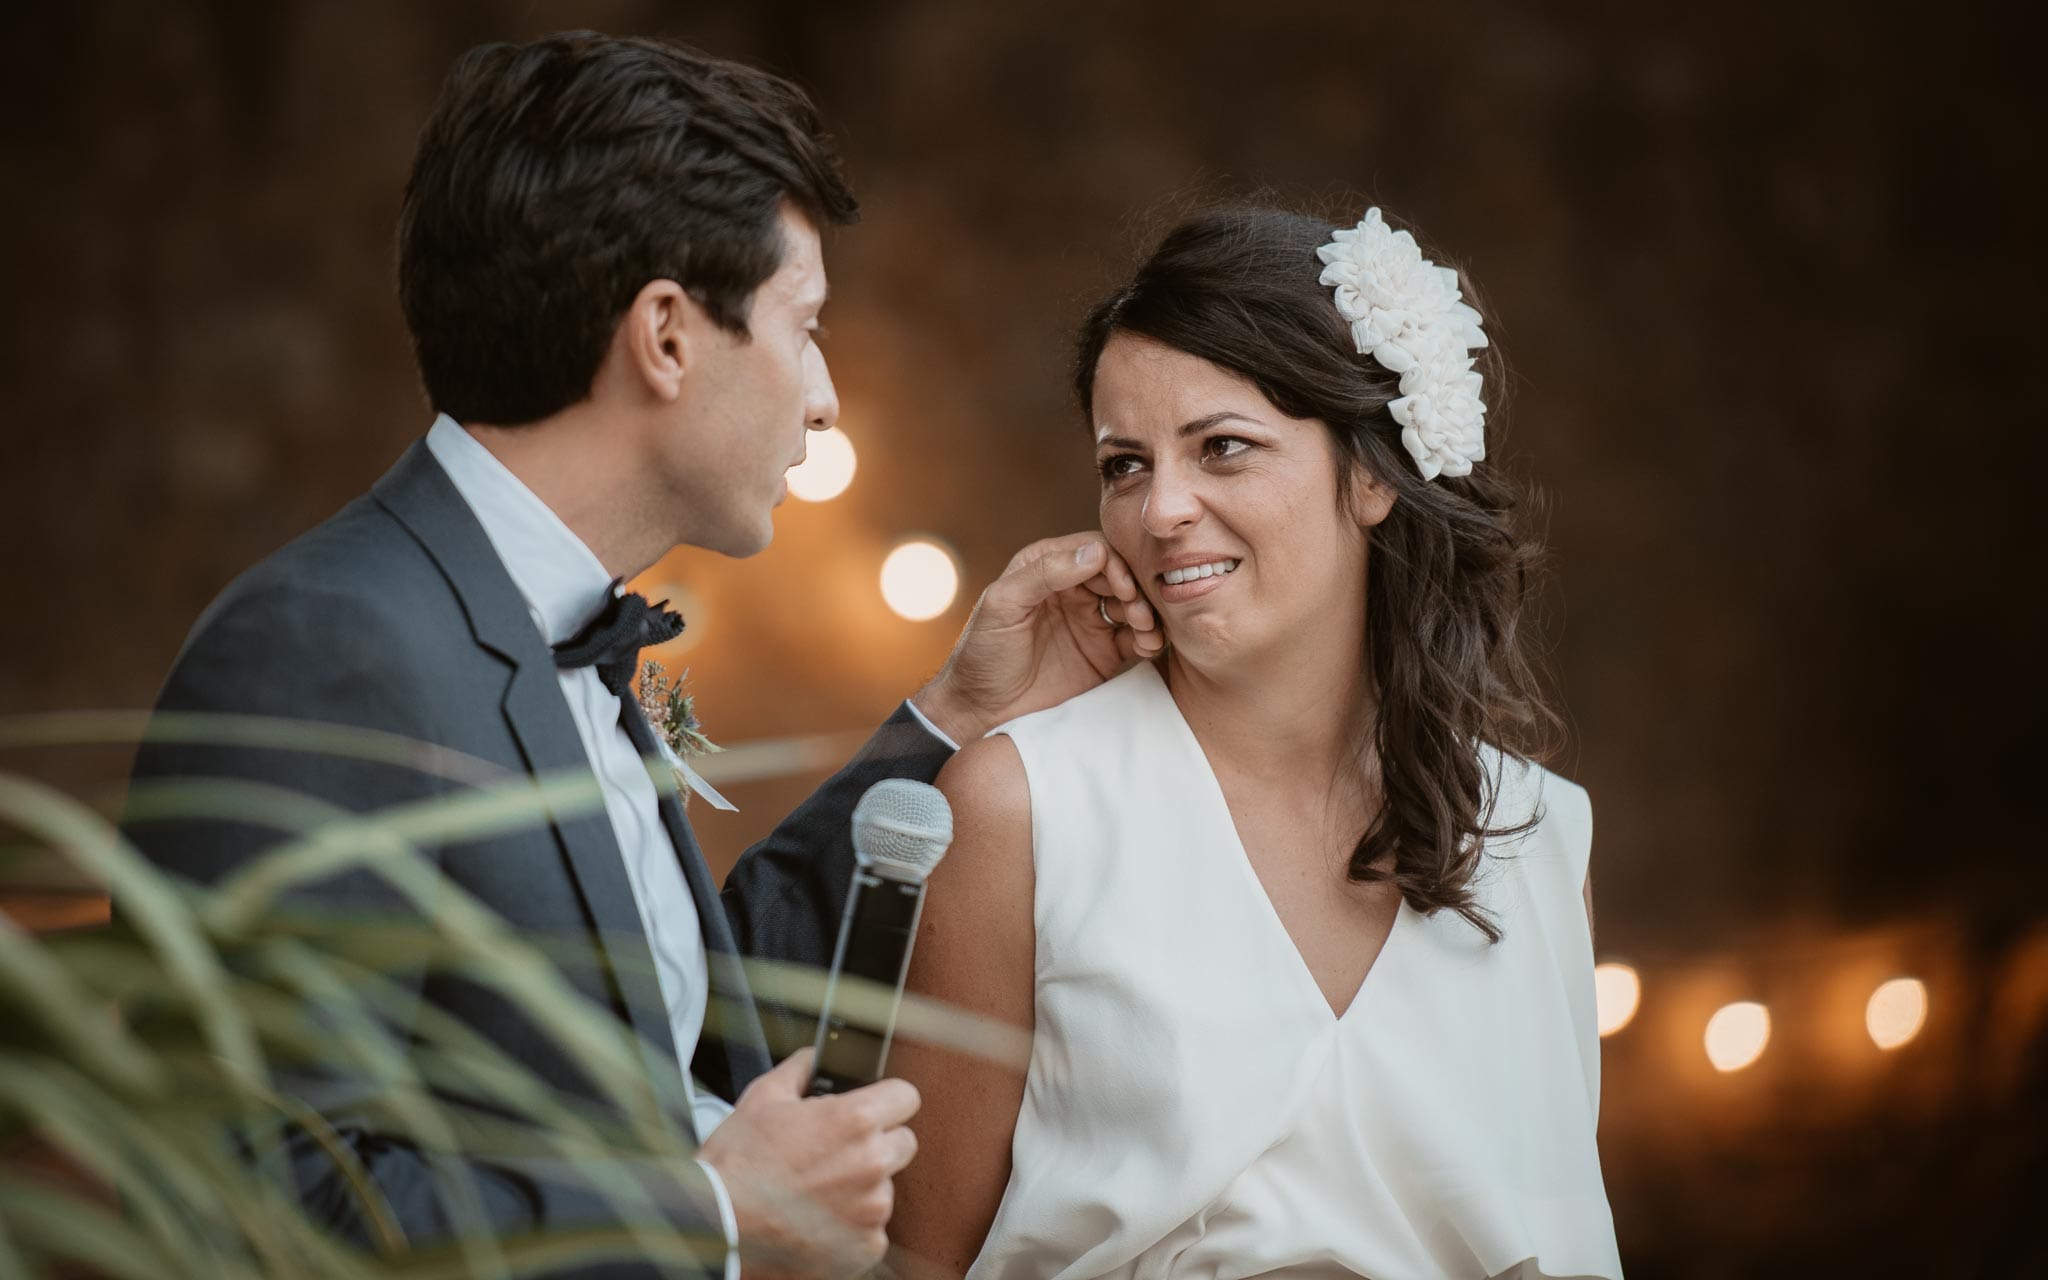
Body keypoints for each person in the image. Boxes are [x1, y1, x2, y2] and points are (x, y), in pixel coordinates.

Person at [122, 32, 1160, 1280]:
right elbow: (232, 1193)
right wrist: (705, 1216)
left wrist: (948, 713)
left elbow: (683, 1034)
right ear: (666, 335)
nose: (823, 396)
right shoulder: (325, 647)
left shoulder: (555, 624)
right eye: (804, 326)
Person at [891, 206, 1624, 1278]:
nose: (1161, 508)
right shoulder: (1019, 806)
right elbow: (918, 1262)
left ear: (1371, 473)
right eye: (1124, 465)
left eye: (1220, 447)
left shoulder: (1538, 834)